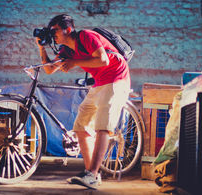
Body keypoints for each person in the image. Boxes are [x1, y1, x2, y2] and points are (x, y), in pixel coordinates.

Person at [35, 14, 131, 190]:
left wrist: (74, 63)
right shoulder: (66, 51)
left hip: (117, 78)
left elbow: (103, 59)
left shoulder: (86, 36)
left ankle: (93, 174)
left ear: (68, 29)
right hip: (100, 83)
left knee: (102, 126)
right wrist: (42, 47)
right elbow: (49, 69)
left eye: (55, 30)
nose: (53, 34)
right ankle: (91, 173)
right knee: (81, 126)